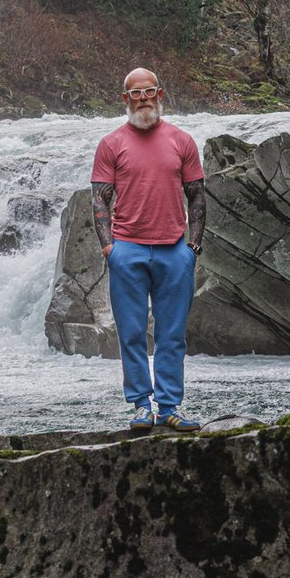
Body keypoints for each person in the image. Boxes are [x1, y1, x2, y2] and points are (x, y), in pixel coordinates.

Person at [92, 67, 207, 432]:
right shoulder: (111, 144)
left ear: (161, 95)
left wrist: (193, 246)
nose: (143, 98)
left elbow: (198, 194)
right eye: (135, 93)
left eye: (149, 92)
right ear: (125, 100)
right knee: (131, 333)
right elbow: (99, 200)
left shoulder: (182, 141)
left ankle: (169, 407)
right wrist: (110, 247)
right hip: (128, 249)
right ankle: (141, 406)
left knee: (172, 336)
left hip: (174, 250)